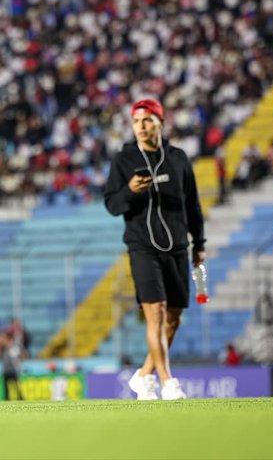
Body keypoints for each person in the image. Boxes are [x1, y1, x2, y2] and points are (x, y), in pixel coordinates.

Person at [104, 99, 206, 401]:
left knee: (173, 319)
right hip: (141, 246)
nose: (141, 127)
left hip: (176, 246)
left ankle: (143, 376)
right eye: (136, 121)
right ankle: (168, 382)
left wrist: (199, 246)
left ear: (161, 122)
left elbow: (193, 206)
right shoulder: (123, 160)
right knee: (156, 314)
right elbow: (111, 204)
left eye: (147, 120)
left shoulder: (178, 159)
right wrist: (130, 191)